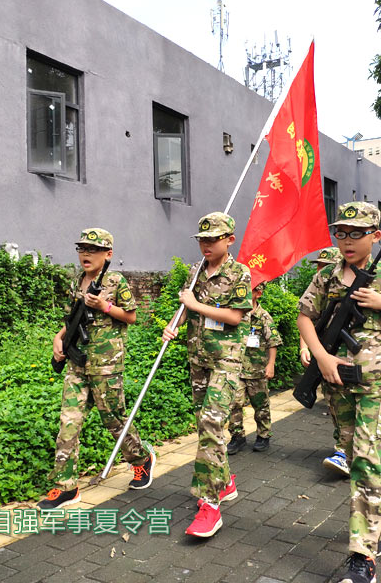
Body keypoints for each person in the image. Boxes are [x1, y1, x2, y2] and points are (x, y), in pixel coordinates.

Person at [298, 202, 381, 583]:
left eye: (356, 233)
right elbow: (304, 315)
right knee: (355, 457)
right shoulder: (328, 276)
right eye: (341, 233)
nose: (347, 241)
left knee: (369, 459)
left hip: (377, 381)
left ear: (375, 236)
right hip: (338, 381)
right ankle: (376, 520)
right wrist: (321, 357)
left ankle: (362, 555)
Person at [39, 228, 155, 510]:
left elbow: (131, 316)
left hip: (106, 364)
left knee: (113, 420)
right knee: (69, 421)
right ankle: (66, 487)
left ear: (108, 254)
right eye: (82, 249)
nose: (86, 254)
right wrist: (58, 338)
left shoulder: (116, 281)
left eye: (93, 249)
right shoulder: (77, 281)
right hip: (78, 364)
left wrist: (104, 306)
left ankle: (142, 459)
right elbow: (71, 320)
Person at [162, 212, 252, 537]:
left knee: (212, 423)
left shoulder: (240, 272)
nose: (206, 245)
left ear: (229, 239)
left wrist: (195, 305)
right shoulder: (196, 269)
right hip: (197, 358)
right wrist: (175, 325)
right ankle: (225, 481)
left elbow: (234, 317)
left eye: (212, 239)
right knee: (205, 424)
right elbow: (186, 308)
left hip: (226, 359)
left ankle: (209, 504)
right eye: (201, 239)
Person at [299, 246, 352, 476]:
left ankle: (348, 449)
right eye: (319, 264)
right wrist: (306, 347)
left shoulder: (346, 284)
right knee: (334, 402)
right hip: (322, 348)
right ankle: (342, 448)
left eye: (325, 264)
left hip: (344, 351)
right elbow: (307, 319)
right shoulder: (320, 285)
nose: (321, 269)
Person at [227, 281, 282, 453]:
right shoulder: (235, 314)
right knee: (234, 403)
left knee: (261, 404)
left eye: (248, 291)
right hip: (236, 368)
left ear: (258, 293)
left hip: (257, 370)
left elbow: (273, 342)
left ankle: (263, 435)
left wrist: (271, 365)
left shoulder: (263, 317)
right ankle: (237, 436)